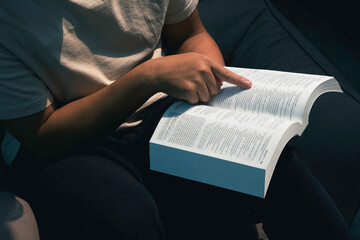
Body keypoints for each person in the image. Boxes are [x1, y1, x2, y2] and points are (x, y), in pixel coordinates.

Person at [0, 0, 357, 239]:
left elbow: (190, 34)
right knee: (123, 218)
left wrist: (206, 73)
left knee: (277, 169)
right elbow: (42, 135)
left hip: (162, 108)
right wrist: (148, 76)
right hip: (69, 142)